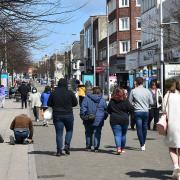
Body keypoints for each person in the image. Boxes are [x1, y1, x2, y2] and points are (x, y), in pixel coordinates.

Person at [48, 78, 78, 156]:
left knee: (59, 133)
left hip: (57, 115)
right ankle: (67, 145)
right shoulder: (70, 93)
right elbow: (75, 103)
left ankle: (59, 151)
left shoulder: (54, 93)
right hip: (68, 114)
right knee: (69, 130)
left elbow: (49, 103)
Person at [129, 77, 153, 151]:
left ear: (136, 82)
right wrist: (146, 104)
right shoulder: (148, 91)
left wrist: (134, 104)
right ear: (143, 82)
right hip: (146, 111)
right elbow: (151, 102)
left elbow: (130, 101)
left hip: (137, 111)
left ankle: (142, 144)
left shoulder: (133, 91)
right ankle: (144, 142)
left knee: (139, 128)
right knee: (144, 127)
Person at [80, 87, 107, 152]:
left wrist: (83, 116)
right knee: (97, 132)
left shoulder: (86, 98)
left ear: (93, 92)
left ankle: (88, 147)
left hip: (88, 118)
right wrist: (104, 117)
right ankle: (96, 147)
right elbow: (106, 110)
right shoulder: (102, 100)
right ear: (100, 92)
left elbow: (83, 108)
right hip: (99, 119)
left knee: (88, 132)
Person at [107, 88, 133, 154]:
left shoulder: (112, 101)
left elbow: (108, 110)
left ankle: (118, 148)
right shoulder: (126, 100)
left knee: (117, 135)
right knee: (123, 135)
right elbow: (131, 109)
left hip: (114, 119)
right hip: (124, 119)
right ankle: (122, 148)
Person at [163, 78, 180, 179]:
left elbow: (164, 109)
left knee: (172, 147)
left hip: (172, 125)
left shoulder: (168, 95)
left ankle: (176, 166)